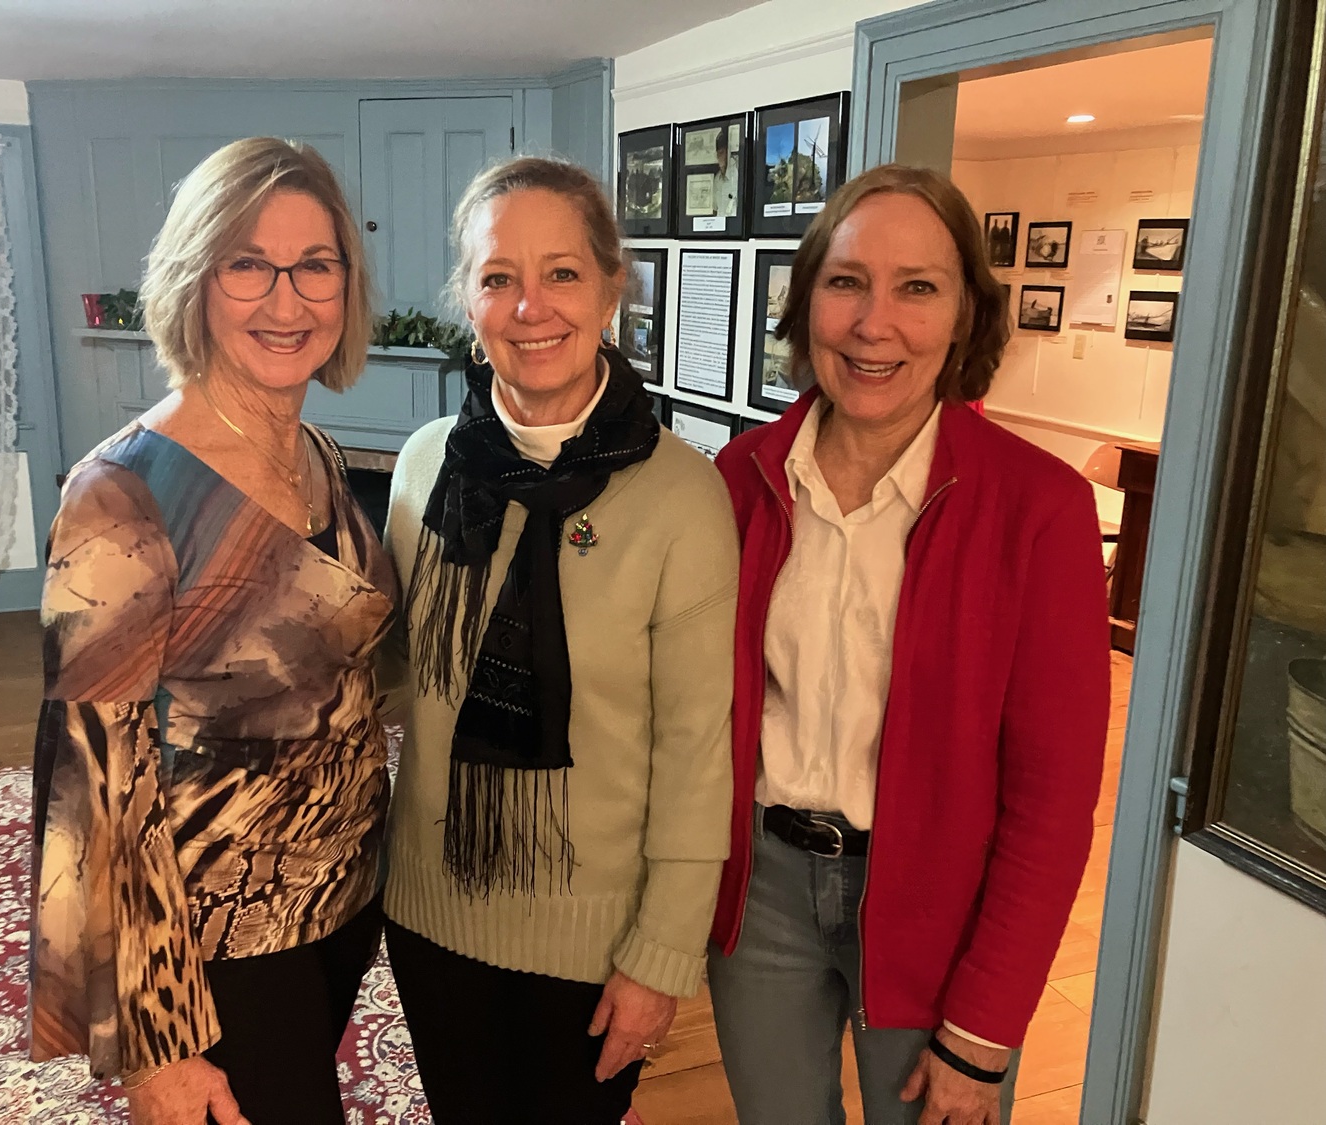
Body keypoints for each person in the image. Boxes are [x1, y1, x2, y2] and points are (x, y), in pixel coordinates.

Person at [707, 162, 1111, 1125]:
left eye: (917, 287)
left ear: (966, 312)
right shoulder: (738, 477)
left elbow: (1054, 802)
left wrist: (984, 1027)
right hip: (759, 897)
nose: (872, 322)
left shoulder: (1040, 508)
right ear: (808, 302)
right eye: (846, 282)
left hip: (942, 906)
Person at [28, 137, 399, 1125]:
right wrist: (157, 1044)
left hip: (341, 897)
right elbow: (91, 782)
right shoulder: (123, 493)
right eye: (248, 264)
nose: (288, 301)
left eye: (315, 265)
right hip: (217, 937)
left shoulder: (317, 452)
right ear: (195, 279)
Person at [380, 155, 737, 1125]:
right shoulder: (424, 467)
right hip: (429, 911)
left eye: (563, 273)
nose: (530, 306)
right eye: (498, 277)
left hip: (593, 944)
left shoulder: (683, 497)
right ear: (469, 299)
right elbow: (390, 674)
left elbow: (699, 753)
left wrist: (663, 952)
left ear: (613, 290)